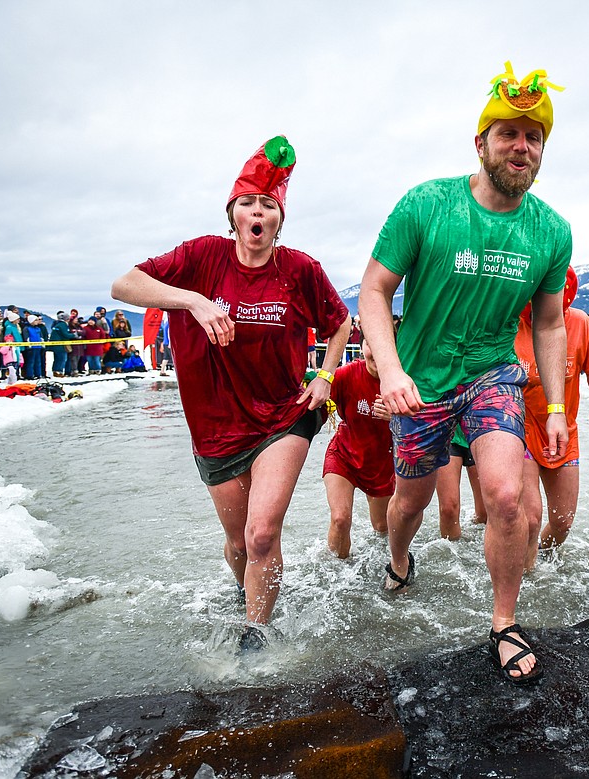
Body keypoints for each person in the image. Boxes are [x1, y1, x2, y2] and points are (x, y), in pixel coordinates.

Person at [358, 62, 570, 684]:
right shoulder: (427, 204)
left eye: (534, 137)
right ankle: (399, 558)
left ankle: (503, 621)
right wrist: (392, 370)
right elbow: (374, 290)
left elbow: (552, 325)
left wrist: (556, 407)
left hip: (492, 375)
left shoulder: (551, 231)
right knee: (411, 502)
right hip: (419, 383)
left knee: (507, 495)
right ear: (480, 142)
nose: (521, 146)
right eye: (509, 133)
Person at [111, 136, 351, 652]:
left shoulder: (299, 270)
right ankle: (252, 594)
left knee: (263, 533)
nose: (257, 212)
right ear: (233, 214)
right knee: (240, 543)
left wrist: (326, 376)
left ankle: (256, 637)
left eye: (268, 204)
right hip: (215, 426)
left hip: (283, 416)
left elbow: (340, 321)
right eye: (248, 203)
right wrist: (193, 301)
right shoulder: (202, 257)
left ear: (279, 218)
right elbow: (124, 285)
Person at [516, 267, 589, 564]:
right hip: (520, 430)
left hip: (562, 432)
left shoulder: (581, 324)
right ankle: (525, 578)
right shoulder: (511, 323)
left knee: (563, 522)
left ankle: (537, 561)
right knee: (530, 519)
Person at [323, 337, 395, 558]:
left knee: (382, 528)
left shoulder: (401, 382)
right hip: (343, 455)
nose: (374, 353)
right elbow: (317, 399)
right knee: (340, 519)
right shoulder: (346, 375)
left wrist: (397, 418)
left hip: (380, 465)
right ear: (362, 346)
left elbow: (425, 424)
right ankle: (336, 576)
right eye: (369, 345)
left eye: (381, 344)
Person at [50, 312, 72, 376]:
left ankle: (55, 370)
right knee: (62, 358)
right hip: (60, 345)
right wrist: (73, 335)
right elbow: (65, 334)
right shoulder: (63, 325)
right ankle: (59, 371)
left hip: (56, 344)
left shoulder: (58, 324)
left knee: (57, 358)